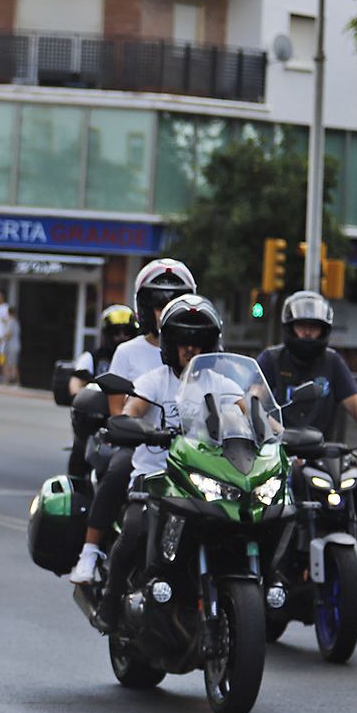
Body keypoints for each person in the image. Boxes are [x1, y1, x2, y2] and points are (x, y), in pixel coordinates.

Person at [96, 295, 237, 631]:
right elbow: (132, 410)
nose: (190, 348)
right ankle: (111, 601)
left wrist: (277, 433)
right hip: (156, 477)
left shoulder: (222, 385)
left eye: (198, 342)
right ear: (170, 344)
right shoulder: (155, 380)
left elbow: (250, 414)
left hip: (206, 477)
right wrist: (133, 425)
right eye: (183, 341)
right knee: (133, 529)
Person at [69, 259, 197, 584]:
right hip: (143, 444)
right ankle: (90, 550)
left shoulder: (200, 352)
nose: (165, 311)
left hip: (194, 449)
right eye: (158, 305)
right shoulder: (128, 352)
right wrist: (140, 430)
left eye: (173, 303)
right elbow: (118, 410)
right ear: (144, 308)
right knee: (118, 469)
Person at [255, 291, 357, 456]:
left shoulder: (333, 362)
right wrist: (278, 431)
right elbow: (252, 399)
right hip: (277, 452)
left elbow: (356, 406)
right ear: (290, 328)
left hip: (322, 453)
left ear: (324, 330)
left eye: (314, 327)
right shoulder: (272, 359)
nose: (308, 332)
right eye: (302, 326)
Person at [66, 304, 138, 477]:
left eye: (126, 332)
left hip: (133, 423)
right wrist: (83, 397)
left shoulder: (140, 357)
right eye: (116, 332)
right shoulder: (93, 357)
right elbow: (75, 383)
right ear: (107, 334)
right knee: (81, 450)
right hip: (98, 423)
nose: (121, 337)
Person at [1, 305, 22, 386]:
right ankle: (11, 381)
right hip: (14, 346)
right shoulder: (16, 322)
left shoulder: (11, 322)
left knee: (9, 364)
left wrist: (2, 337)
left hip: (11, 346)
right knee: (11, 364)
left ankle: (11, 381)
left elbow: (9, 333)